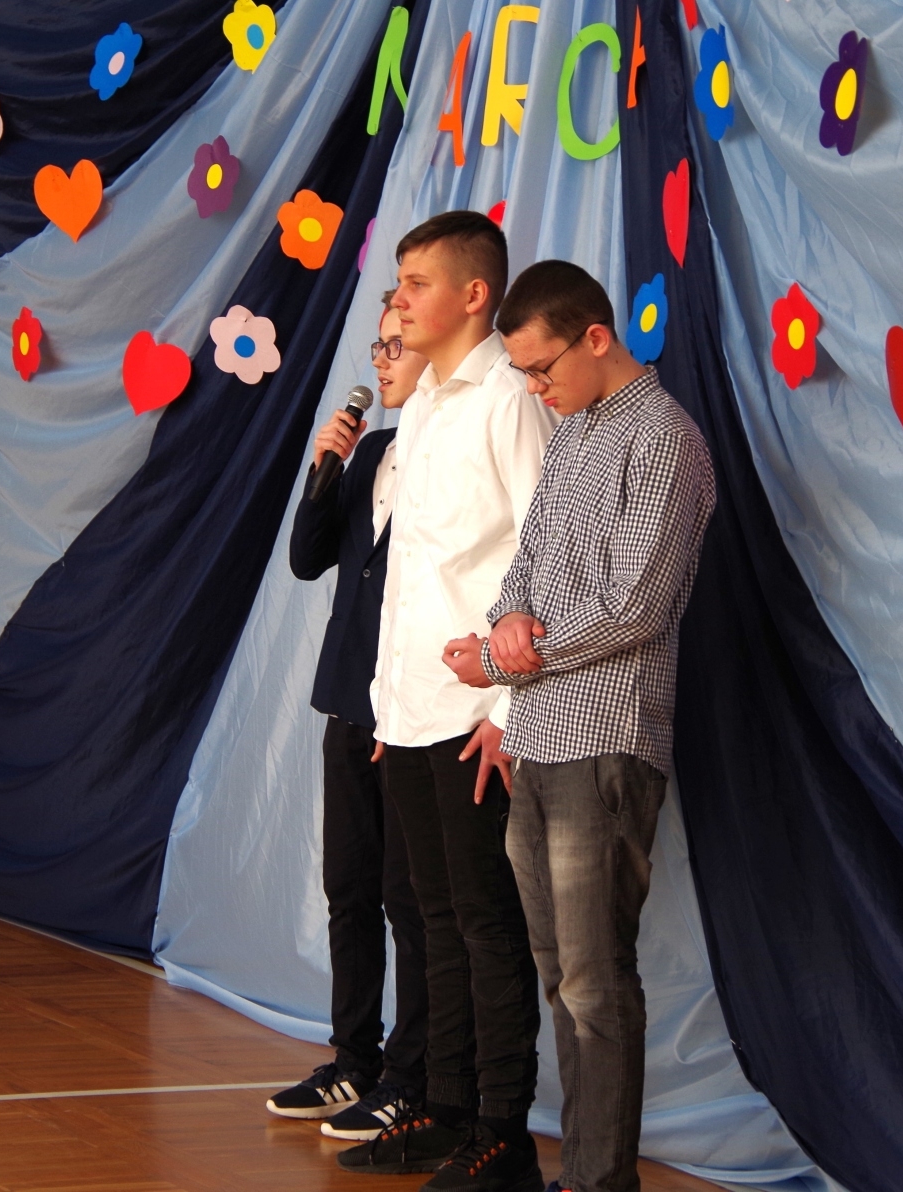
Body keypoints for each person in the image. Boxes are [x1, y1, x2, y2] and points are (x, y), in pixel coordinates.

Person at [440, 260, 716, 1192]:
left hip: (607, 743)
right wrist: (505, 624)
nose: (533, 388)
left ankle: (601, 1183)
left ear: (596, 338)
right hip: (539, 737)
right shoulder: (569, 437)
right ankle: (582, 1174)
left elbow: (634, 606)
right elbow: (523, 571)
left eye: (541, 367)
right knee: (559, 975)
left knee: (596, 981)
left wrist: (509, 658)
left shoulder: (664, 440)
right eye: (521, 373)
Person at [339, 211, 554, 1192]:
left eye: (417, 283)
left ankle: (503, 1134)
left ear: (474, 294)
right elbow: (413, 573)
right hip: (413, 711)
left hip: (478, 719)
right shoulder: (423, 402)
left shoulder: (508, 398)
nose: (399, 301)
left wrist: (508, 711)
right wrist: (389, 708)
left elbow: (545, 555)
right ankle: (447, 1109)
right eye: (397, 283)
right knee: (430, 918)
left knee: (484, 923)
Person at [269, 295, 434, 1141]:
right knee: (349, 887)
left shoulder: (453, 448)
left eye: (396, 345)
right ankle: (353, 1060)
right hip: (348, 698)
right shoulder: (371, 449)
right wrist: (323, 469)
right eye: (378, 345)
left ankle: (414, 1074)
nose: (380, 360)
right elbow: (307, 560)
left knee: (411, 897)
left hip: (411, 706)